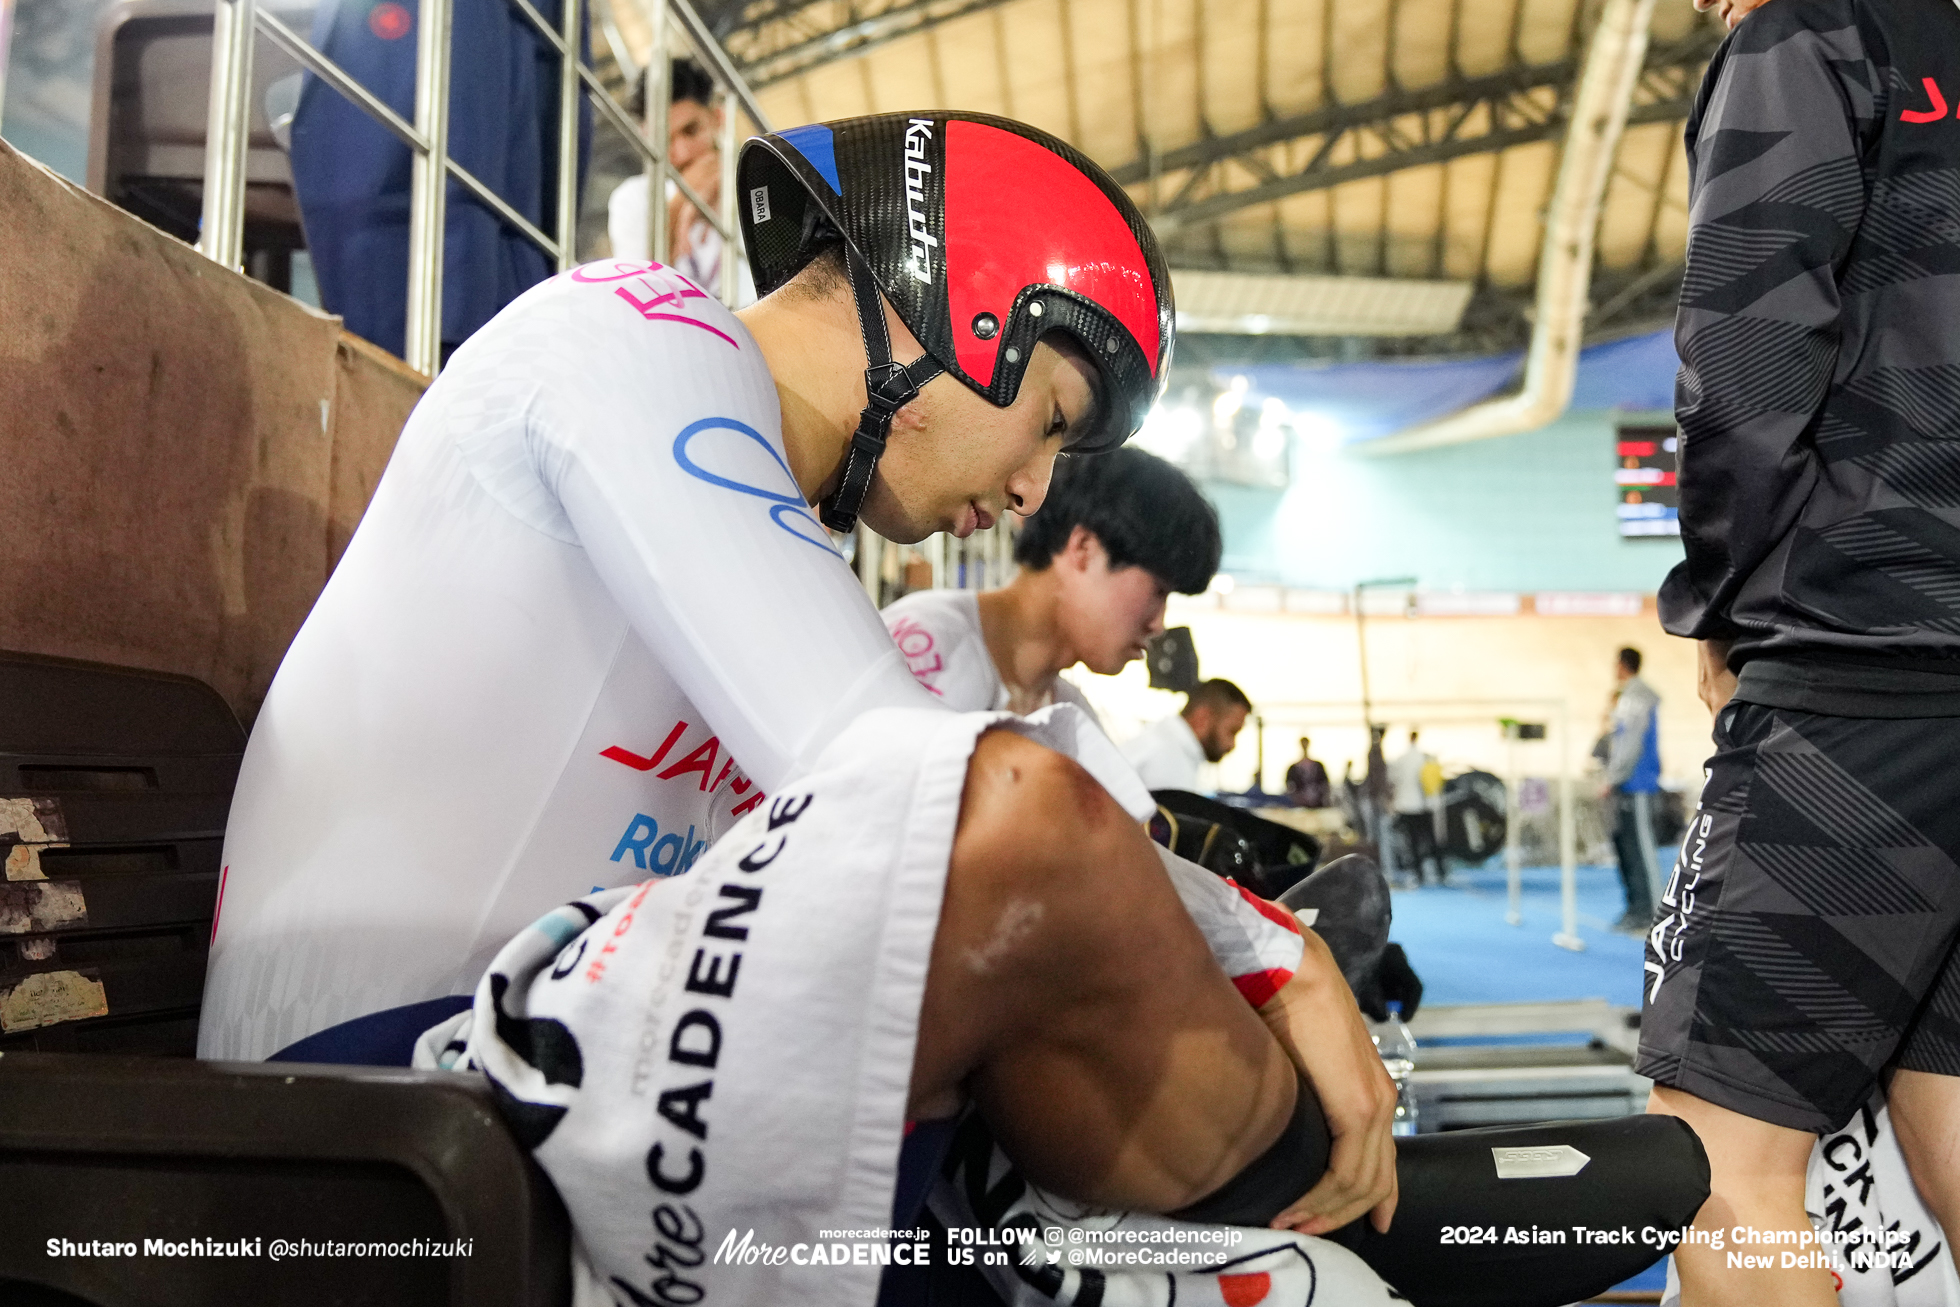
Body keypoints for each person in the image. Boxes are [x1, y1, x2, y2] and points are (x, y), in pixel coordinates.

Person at [197, 108, 1399, 1262]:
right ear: (956, 313)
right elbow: (912, 785)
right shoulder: (631, 331)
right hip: (367, 1107)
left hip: (510, 1054)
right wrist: (1273, 950)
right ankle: (1321, 1193)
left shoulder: (744, 475)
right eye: (1047, 418)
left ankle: (1292, 1195)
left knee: (998, 914)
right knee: (1015, 827)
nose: (1035, 491)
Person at [1639, 2, 1960, 1302]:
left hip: (1868, 670)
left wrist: (1719, 597)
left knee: (1720, 1162)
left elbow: (1752, 345)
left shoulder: (1814, 32)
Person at [881, 446, 1220, 716]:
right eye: (1158, 591)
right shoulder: (925, 646)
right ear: (1084, 549)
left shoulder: (1074, 724)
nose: (1158, 623)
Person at [605, 59, 756, 305]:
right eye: (665, 140)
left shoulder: (757, 179)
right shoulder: (633, 199)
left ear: (717, 118)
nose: (683, 152)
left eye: (691, 130)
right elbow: (642, 298)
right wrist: (678, 206)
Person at [1599, 647, 1662, 935]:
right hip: (1629, 783)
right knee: (1627, 850)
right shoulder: (1630, 697)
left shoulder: (1636, 698)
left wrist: (1612, 777)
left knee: (1642, 850)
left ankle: (1653, 912)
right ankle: (1637, 908)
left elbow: (1630, 744)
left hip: (1638, 785)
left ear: (1623, 665)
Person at [1123, 678, 1253, 791]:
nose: (1232, 745)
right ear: (1203, 717)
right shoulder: (1166, 758)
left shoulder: (1166, 746)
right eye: (1232, 732)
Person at [1388, 729, 1443, 885]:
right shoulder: (1425, 758)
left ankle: (1418, 873)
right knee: (1430, 840)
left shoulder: (1400, 759)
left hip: (1406, 806)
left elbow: (1393, 780)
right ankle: (1439, 871)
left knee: (1412, 842)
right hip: (1424, 806)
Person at [1286, 735, 1332, 808]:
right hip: (1300, 806)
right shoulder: (1293, 768)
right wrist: (1299, 798)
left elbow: (1325, 785)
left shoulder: (1318, 766)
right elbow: (1289, 787)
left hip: (1318, 804)